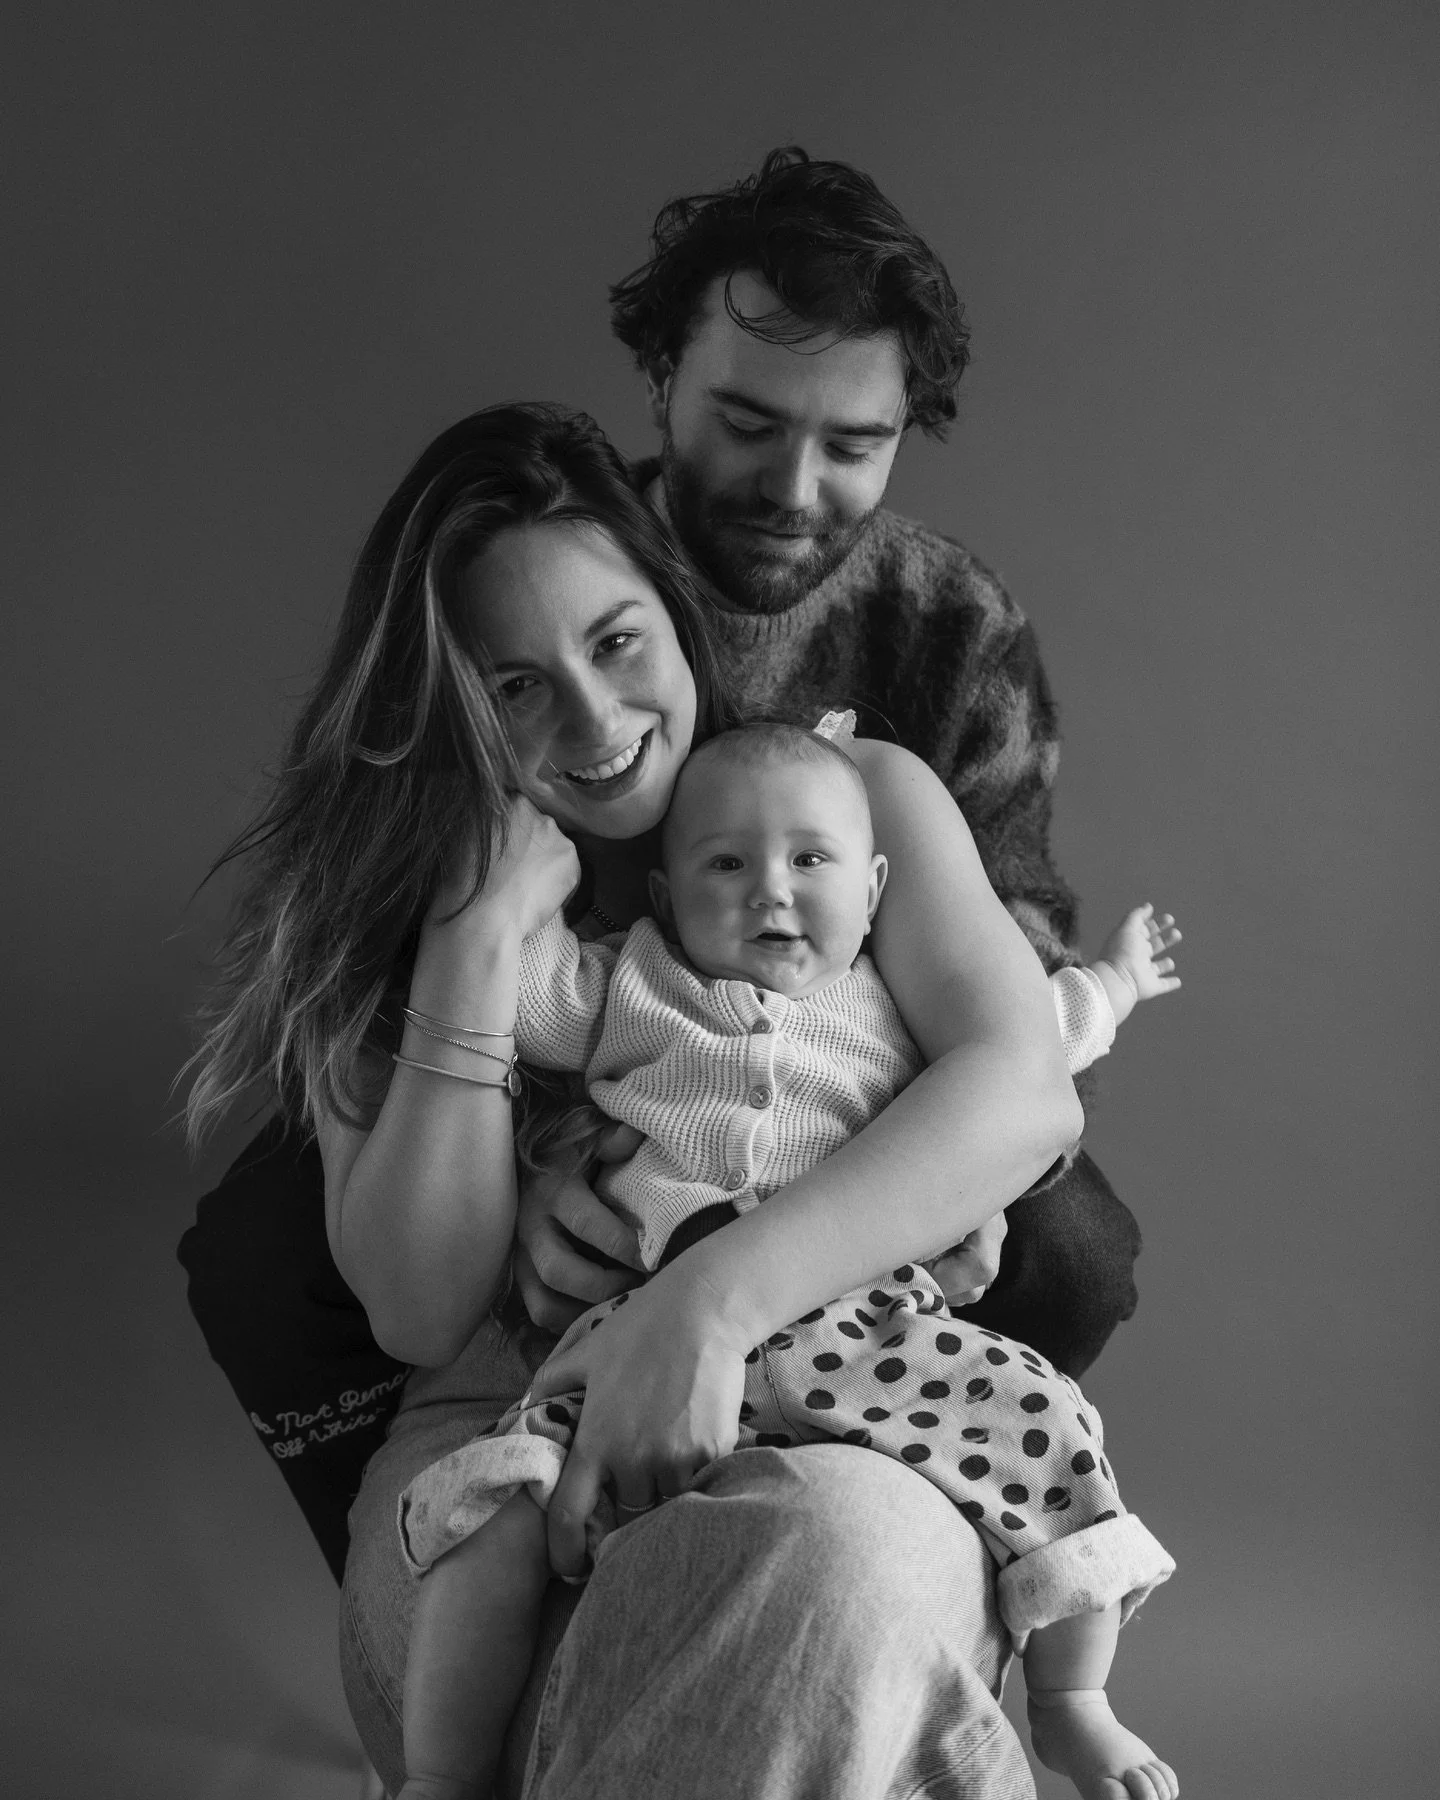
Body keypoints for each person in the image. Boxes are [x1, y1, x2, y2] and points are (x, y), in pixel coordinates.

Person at [178, 145, 1141, 1581]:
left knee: (1064, 1240)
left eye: (852, 443)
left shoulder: (939, 640)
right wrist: (549, 1150)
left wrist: (734, 1250)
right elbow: (422, 1268)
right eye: (747, 420)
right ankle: (426, 1596)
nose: (793, 485)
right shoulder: (564, 559)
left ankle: (942, 1539)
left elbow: (1003, 1006)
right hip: (564, 1083)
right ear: (665, 393)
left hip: (829, 1090)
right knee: (261, 1252)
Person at [185, 402, 1085, 1797]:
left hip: (845, 1399)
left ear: (677, 615)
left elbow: (1025, 1095)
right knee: (723, 1676)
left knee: (840, 1583)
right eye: (516, 686)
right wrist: (477, 939)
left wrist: (703, 1303)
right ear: (446, 706)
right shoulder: (387, 921)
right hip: (504, 1455)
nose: (597, 723)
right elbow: (423, 1310)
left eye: (615, 644)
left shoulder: (849, 803)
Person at [392, 720, 1181, 1800]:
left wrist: (1122, 981)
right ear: (666, 901)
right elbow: (519, 990)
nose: (772, 891)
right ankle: (438, 1772)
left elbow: (1050, 1032)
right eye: (727, 865)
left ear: (874, 891)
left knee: (1048, 1427)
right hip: (640, 1339)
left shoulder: (898, 1003)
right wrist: (496, 881)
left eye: (811, 861)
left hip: (870, 1333)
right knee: (496, 1510)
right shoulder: (631, 985)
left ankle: (1072, 1701)